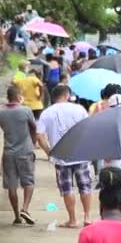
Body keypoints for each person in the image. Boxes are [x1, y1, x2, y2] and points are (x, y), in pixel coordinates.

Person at [37, 85, 92, 228]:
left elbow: (39, 136)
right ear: (67, 95)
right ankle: (87, 217)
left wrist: (49, 152)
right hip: (81, 153)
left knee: (67, 189)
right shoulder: (79, 109)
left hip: (60, 157)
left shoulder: (47, 113)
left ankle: (72, 219)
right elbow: (88, 129)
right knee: (85, 186)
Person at [0, 86, 37, 225]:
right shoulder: (26, 110)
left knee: (11, 185)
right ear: (19, 96)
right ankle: (25, 209)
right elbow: (33, 128)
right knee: (28, 182)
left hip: (8, 152)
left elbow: (4, 128)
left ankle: (16, 216)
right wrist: (33, 143)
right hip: (25, 151)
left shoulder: (0, 113)